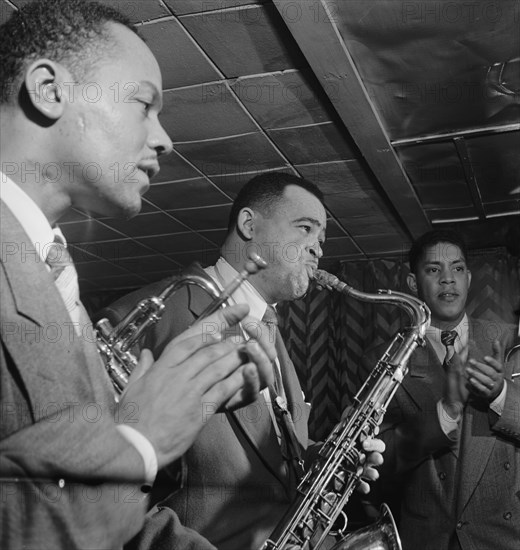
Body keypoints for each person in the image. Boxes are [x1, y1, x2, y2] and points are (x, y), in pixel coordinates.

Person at [0, 1, 275, 549]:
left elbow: (114, 521)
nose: (164, 139)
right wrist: (139, 439)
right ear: (49, 90)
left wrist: (161, 414)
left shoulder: (58, 283)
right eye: (143, 104)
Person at [104, 172, 385, 550]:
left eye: (321, 240)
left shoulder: (269, 328)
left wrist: (322, 460)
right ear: (249, 225)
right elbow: (92, 481)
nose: (318, 249)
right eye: (305, 229)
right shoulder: (147, 316)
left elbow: (261, 454)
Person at [357, 229, 520, 550]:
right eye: (434, 270)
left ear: (469, 278)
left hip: (503, 536)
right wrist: (443, 414)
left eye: (457, 269)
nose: (448, 280)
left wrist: (501, 394)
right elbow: (378, 462)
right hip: (426, 537)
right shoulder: (381, 358)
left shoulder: (509, 339)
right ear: (413, 284)